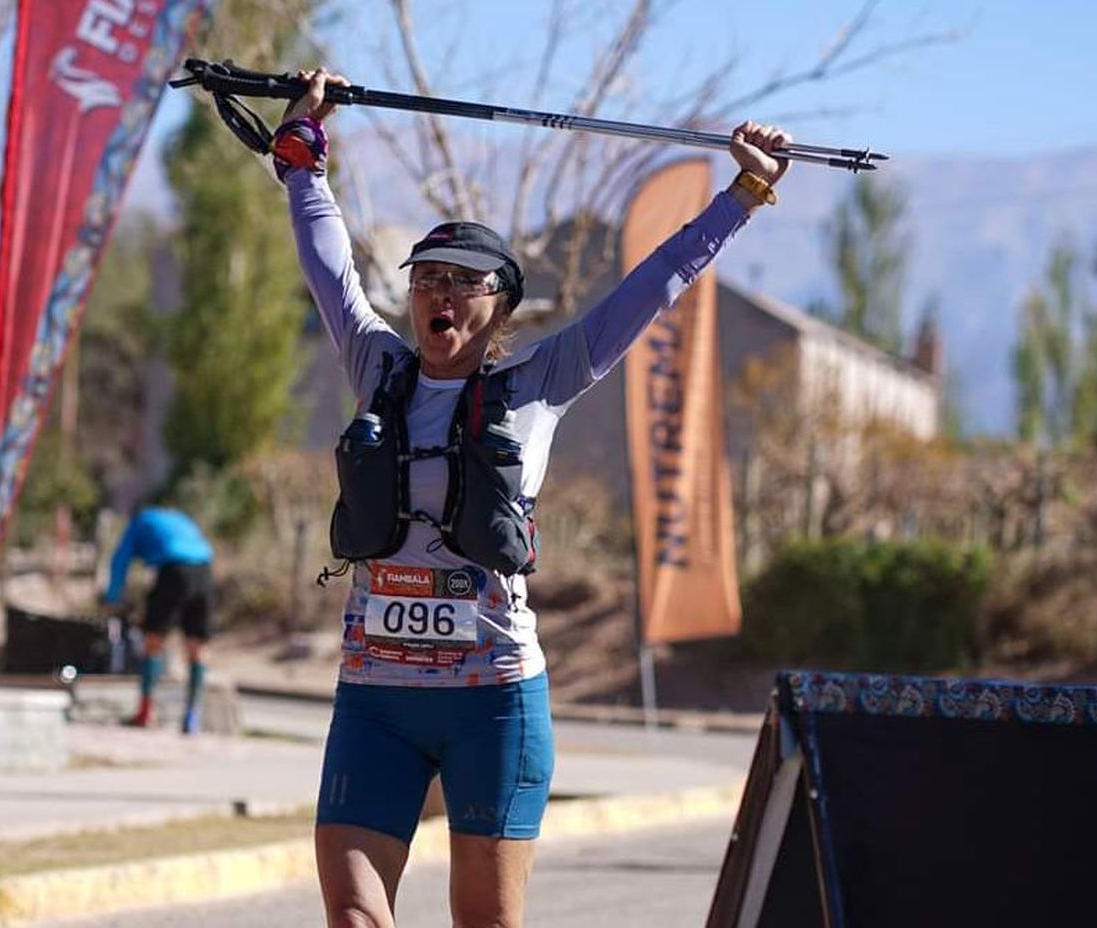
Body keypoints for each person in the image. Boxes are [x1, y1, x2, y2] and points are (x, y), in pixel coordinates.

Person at [272, 68, 791, 928]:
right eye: (426, 278)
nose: (439, 293)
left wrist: (741, 194)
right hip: (375, 697)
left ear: (499, 304)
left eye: (462, 282)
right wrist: (303, 152)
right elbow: (326, 260)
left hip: (494, 701)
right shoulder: (377, 365)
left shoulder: (540, 380)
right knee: (355, 918)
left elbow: (654, 282)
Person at [102, 505, 216, 733]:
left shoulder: (140, 521)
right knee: (197, 645)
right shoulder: (181, 517)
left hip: (174, 570)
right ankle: (192, 715)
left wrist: (112, 596)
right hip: (204, 571)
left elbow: (121, 558)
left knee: (154, 640)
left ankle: (145, 713)